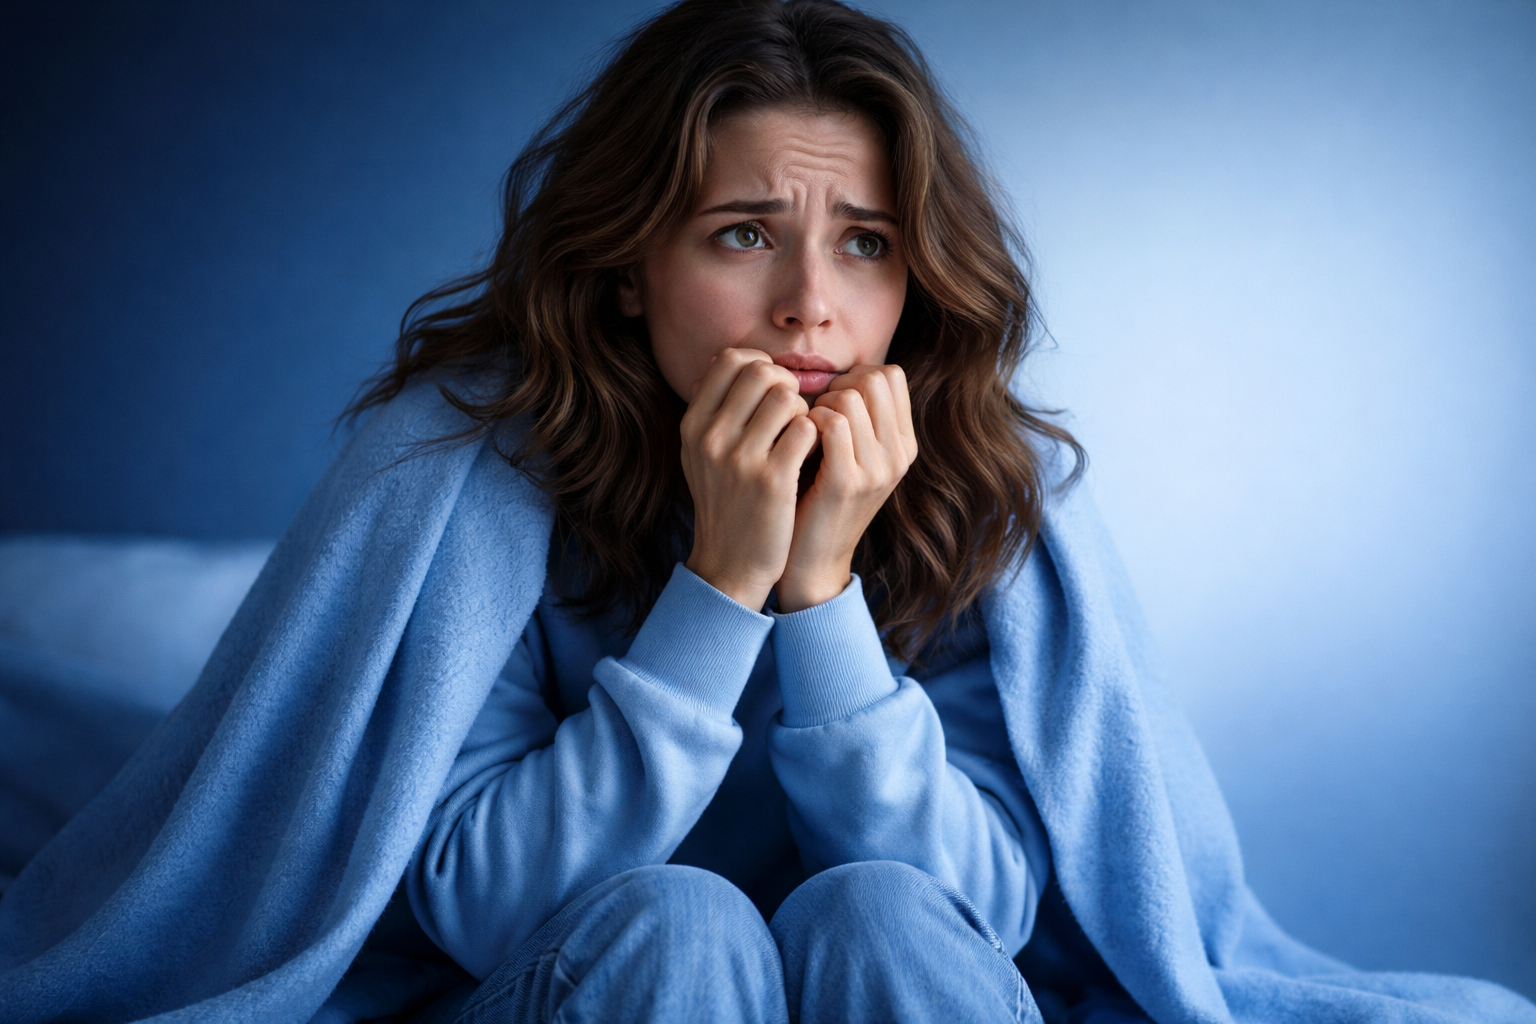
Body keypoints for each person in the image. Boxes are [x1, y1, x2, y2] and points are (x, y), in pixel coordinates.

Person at [1, 2, 1533, 1023]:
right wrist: (719, 590)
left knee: (881, 912)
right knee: (677, 924)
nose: (811, 307)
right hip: (575, 977)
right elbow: (476, 905)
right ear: (626, 266)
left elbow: (984, 903)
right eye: (745, 234)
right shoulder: (458, 475)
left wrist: (828, 599)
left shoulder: (993, 492)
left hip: (900, 961)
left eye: (865, 245)